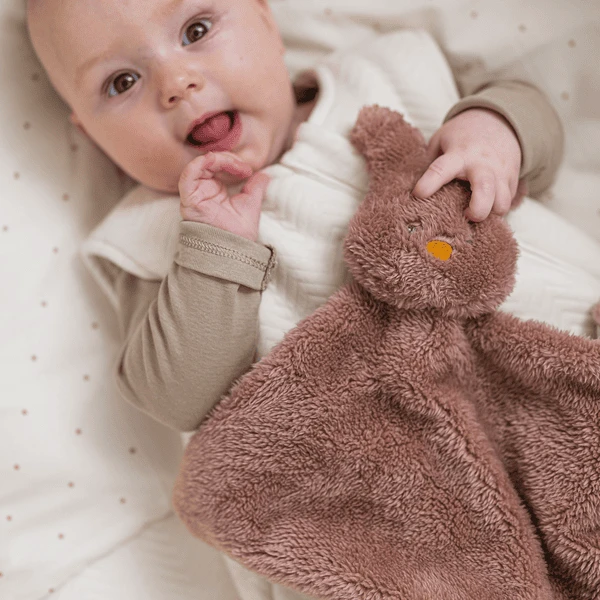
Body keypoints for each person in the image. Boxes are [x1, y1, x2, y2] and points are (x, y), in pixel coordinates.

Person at [26, 1, 564, 598]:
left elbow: (538, 123)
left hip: (558, 379)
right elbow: (178, 397)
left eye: (196, 31)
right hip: (392, 523)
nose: (176, 83)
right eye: (121, 82)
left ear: (267, 20)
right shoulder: (148, 240)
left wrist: (494, 130)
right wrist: (215, 246)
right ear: (88, 131)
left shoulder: (382, 76)